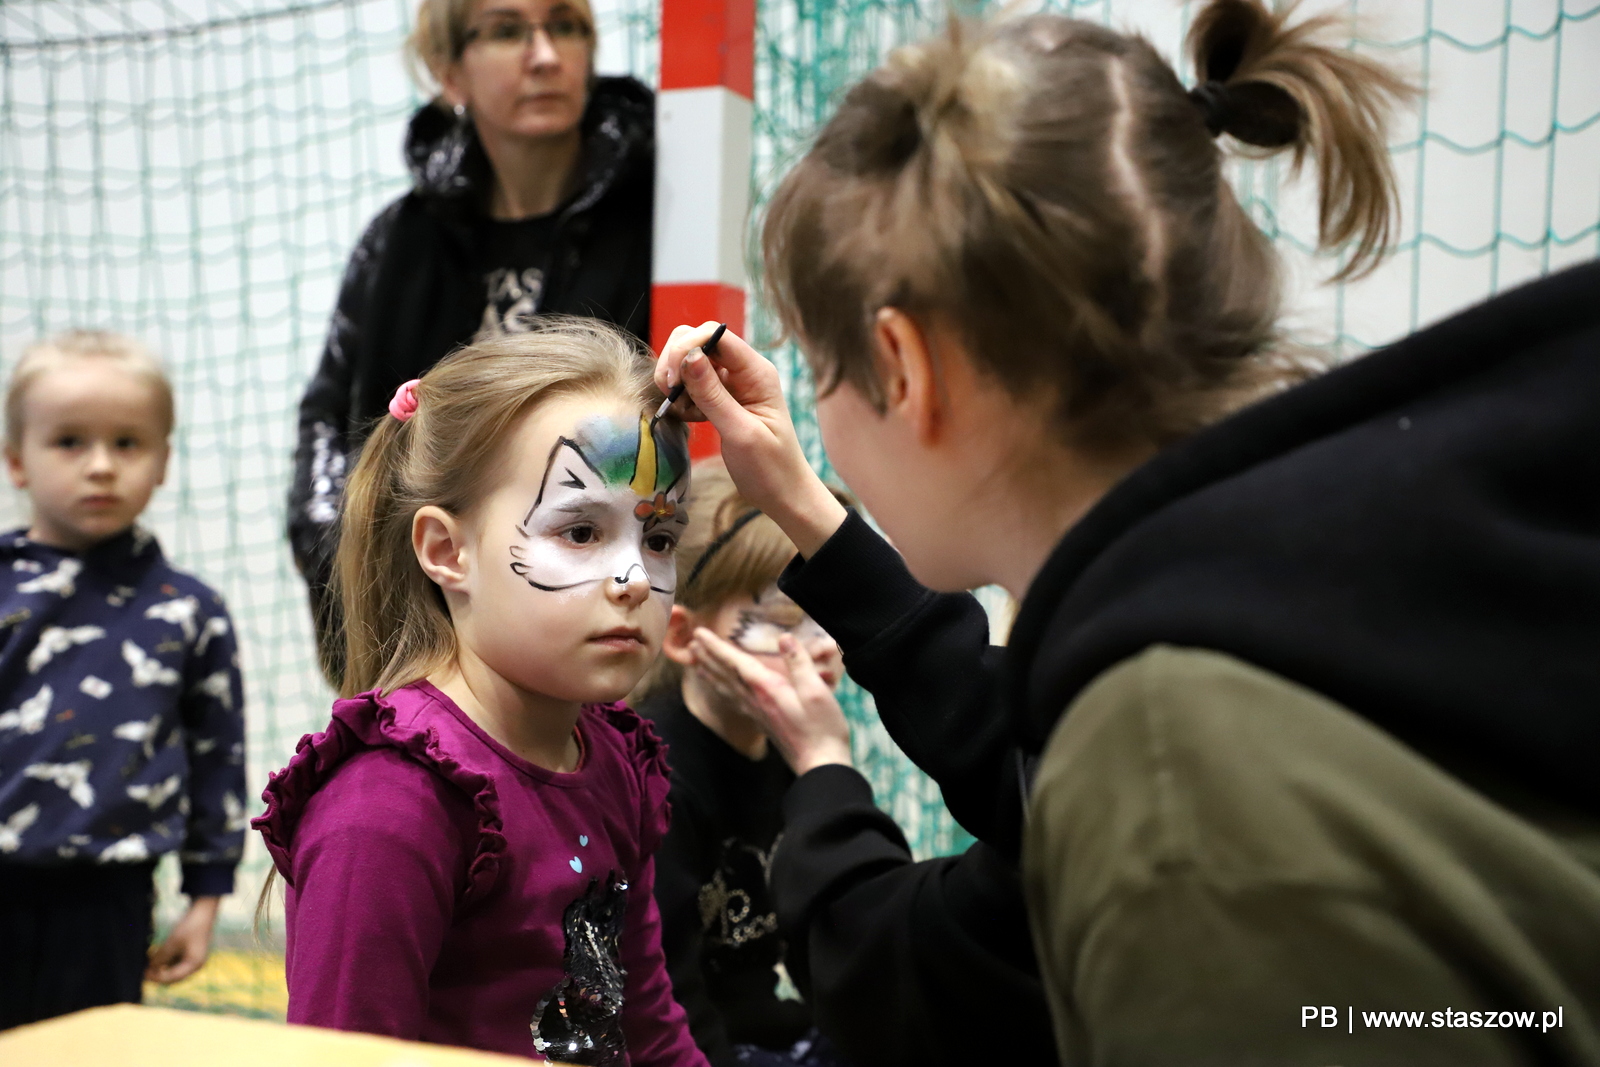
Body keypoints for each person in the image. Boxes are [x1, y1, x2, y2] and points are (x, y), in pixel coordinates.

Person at [653, 0, 1600, 1062]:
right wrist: (807, 511)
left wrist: (824, 773)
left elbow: (957, 955)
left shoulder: (1163, 775)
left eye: (823, 371)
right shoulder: (1299, 566)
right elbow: (1019, 746)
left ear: (904, 367)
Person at [254, 319, 708, 1066]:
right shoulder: (390, 810)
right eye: (582, 531)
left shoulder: (614, 758)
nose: (633, 580)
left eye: (658, 539)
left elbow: (649, 1022)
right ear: (445, 550)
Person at [288, 0, 654, 682]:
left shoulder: (664, 216)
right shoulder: (399, 240)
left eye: (566, 27)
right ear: (448, 70)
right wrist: (354, 576)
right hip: (426, 634)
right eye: (508, 31)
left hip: (605, 623)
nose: (545, 56)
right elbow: (330, 426)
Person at [0, 330, 245, 1029]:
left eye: (128, 443)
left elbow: (216, 757)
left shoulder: (187, 610)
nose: (101, 466)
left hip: (107, 896)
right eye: (70, 441)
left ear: (163, 461)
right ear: (17, 460)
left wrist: (205, 896)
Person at [633, 464, 850, 1067]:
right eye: (782, 626)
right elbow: (663, 996)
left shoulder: (792, 744)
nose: (824, 646)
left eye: (828, 619)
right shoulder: (656, 778)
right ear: (683, 637)